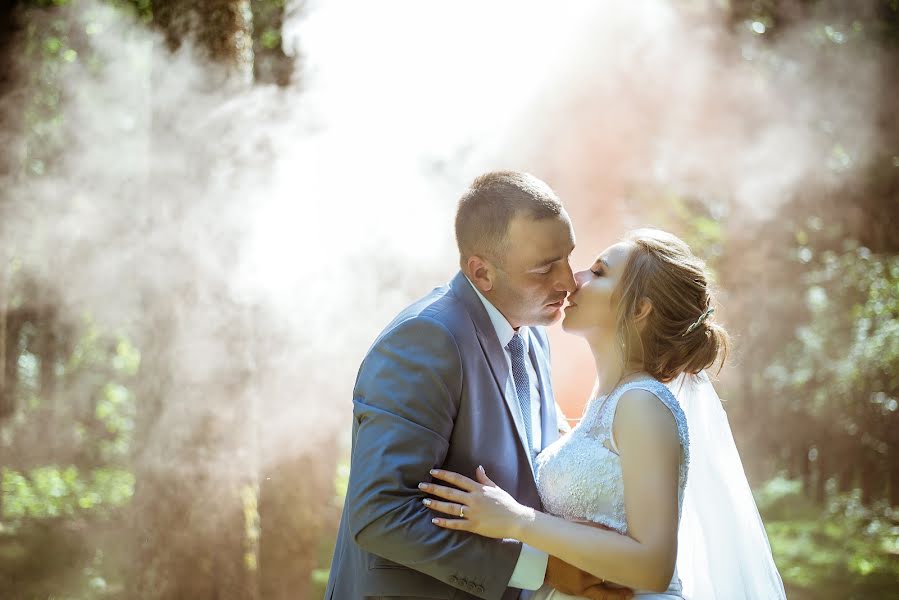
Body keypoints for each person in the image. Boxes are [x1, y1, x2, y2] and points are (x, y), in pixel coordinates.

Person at [420, 229, 787, 599]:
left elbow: (653, 566)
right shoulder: (608, 403)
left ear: (640, 309)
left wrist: (518, 520)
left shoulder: (642, 403)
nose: (575, 280)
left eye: (598, 272)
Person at [325, 171, 628, 600]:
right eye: (544, 269)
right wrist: (544, 567)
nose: (566, 280)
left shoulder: (533, 331)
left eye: (567, 256)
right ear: (482, 273)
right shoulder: (425, 341)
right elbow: (381, 514)